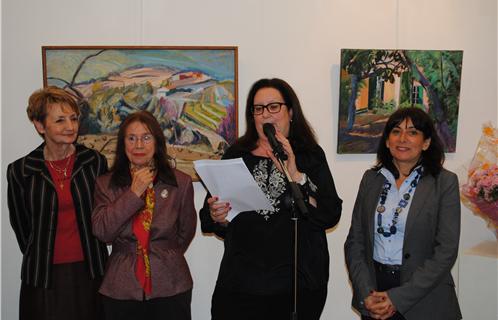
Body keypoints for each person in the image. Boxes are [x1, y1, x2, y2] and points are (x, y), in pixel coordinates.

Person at [200, 78, 343, 320]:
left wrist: (296, 173)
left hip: (296, 287)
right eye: (258, 108)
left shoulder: (310, 155)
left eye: (274, 106)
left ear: (290, 112)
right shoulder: (236, 155)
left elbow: (330, 213)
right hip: (241, 285)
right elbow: (210, 217)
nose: (266, 114)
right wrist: (218, 215)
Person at [344, 107, 462, 320]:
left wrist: (398, 298)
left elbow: (446, 250)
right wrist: (366, 293)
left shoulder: (444, 182)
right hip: (375, 295)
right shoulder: (371, 180)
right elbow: (355, 241)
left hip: (425, 299)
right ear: (387, 141)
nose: (403, 138)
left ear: (426, 143)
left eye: (413, 132)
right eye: (396, 131)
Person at [7, 86, 109, 320]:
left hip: (91, 271)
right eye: (60, 120)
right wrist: (42, 253)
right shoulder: (21, 170)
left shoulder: (94, 162)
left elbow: (105, 214)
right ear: (40, 125)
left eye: (73, 119)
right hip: (43, 276)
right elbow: (22, 227)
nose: (70, 127)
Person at [92, 111, 196, 320]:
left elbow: (186, 231)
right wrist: (133, 193)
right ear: (123, 145)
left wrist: (162, 254)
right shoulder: (106, 184)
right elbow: (103, 232)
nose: (138, 145)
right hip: (120, 284)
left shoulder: (180, 183)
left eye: (146, 137)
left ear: (157, 142)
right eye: (131, 138)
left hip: (170, 282)